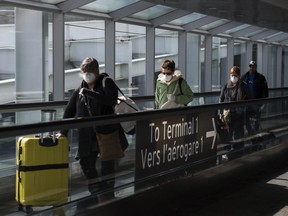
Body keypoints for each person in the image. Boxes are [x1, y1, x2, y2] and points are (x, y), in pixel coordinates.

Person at [60, 57, 128, 194]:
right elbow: (69, 111)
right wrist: (63, 133)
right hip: (87, 136)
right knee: (85, 162)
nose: (87, 74)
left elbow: (111, 100)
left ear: (97, 70)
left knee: (108, 165)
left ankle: (107, 193)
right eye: (84, 71)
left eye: (90, 71)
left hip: (106, 133)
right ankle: (95, 190)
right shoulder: (81, 88)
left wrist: (89, 93)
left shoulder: (106, 82)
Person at [219, 66, 250, 145]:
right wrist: (221, 113)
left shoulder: (244, 86)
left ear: (239, 76)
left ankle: (238, 151)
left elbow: (250, 99)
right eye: (231, 75)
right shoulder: (226, 86)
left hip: (239, 115)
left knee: (238, 135)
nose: (233, 77)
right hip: (228, 115)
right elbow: (221, 99)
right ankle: (229, 150)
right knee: (228, 135)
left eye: (235, 75)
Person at [241, 61, 268, 135]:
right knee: (247, 120)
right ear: (248, 67)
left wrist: (263, 103)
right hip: (247, 103)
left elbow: (265, 90)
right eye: (250, 66)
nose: (251, 68)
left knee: (256, 120)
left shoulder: (261, 77)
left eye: (253, 66)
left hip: (257, 103)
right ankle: (250, 133)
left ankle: (255, 135)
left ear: (255, 67)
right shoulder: (244, 77)